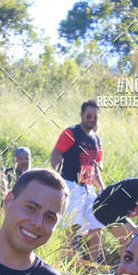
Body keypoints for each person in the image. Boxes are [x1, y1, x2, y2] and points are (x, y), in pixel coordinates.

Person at [50, 99, 105, 260]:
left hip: (88, 187)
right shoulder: (71, 132)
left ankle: (93, 262)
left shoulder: (96, 139)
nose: (91, 119)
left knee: (97, 223)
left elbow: (94, 166)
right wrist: (56, 175)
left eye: (94, 116)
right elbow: (56, 153)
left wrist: (101, 187)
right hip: (70, 183)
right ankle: (66, 258)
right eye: (88, 115)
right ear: (82, 115)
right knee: (71, 225)